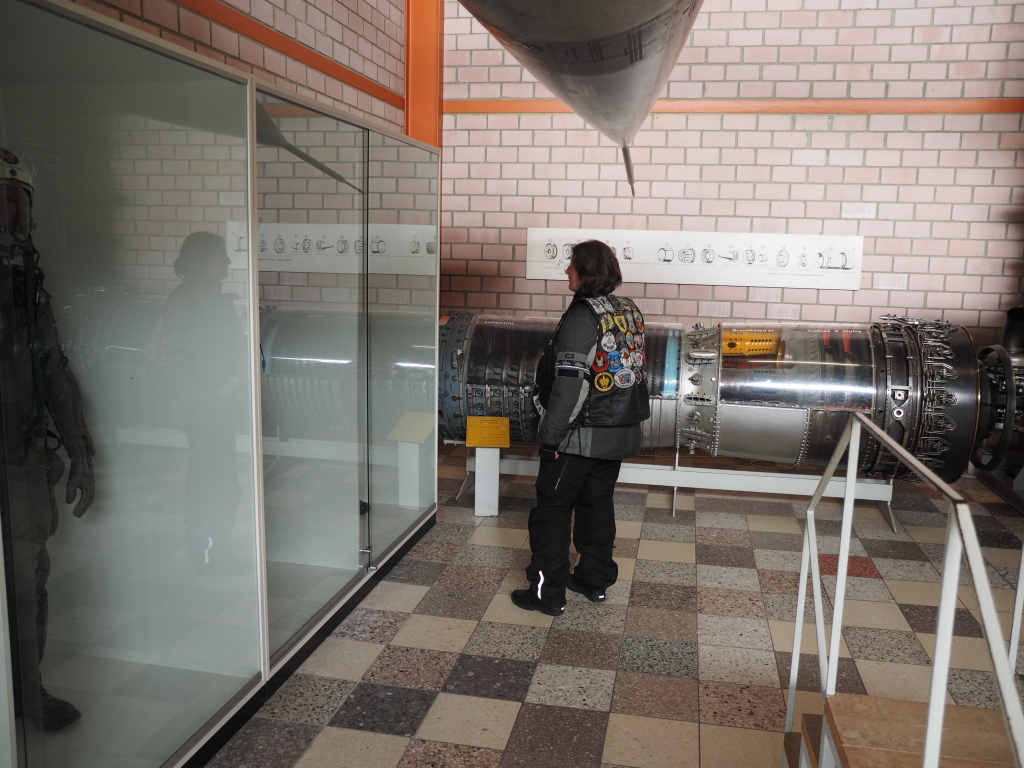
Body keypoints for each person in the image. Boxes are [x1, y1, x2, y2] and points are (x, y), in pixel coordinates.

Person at [0, 147, 96, 730]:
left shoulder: (26, 283)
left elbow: (52, 367)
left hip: (23, 458)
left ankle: (25, 691)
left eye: (16, 202)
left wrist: (79, 453)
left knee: (29, 578)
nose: (8, 214)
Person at [512, 239, 650, 616]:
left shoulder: (582, 316)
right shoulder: (628, 310)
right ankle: (594, 580)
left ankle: (547, 594)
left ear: (586, 271)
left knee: (552, 511)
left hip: (577, 438)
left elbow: (571, 386)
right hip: (619, 434)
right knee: (597, 505)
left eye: (571, 264)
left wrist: (550, 437)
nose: (566, 270)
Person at [160, 232, 247, 575]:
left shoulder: (202, 296)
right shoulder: (192, 301)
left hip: (212, 405)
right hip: (206, 407)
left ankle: (213, 541)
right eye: (219, 256)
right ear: (200, 261)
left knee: (213, 476)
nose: (227, 261)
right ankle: (211, 553)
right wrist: (218, 393)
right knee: (216, 481)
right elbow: (189, 362)